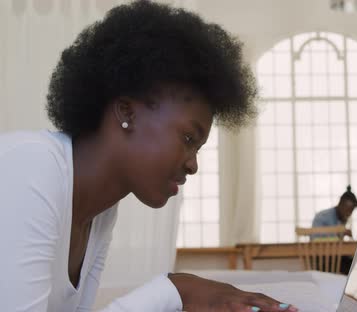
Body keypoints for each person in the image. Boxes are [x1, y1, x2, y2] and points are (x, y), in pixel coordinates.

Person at [0, 1, 298, 311]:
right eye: (187, 138)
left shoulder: (99, 214)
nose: (193, 164)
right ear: (127, 112)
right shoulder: (30, 169)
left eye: (197, 147)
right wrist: (174, 290)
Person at [311, 185, 357, 274]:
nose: (349, 214)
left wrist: (342, 234)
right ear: (341, 204)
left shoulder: (341, 219)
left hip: (335, 257)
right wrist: (339, 232)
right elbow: (316, 240)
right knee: (353, 267)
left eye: (351, 211)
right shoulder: (322, 217)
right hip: (322, 259)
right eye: (348, 210)